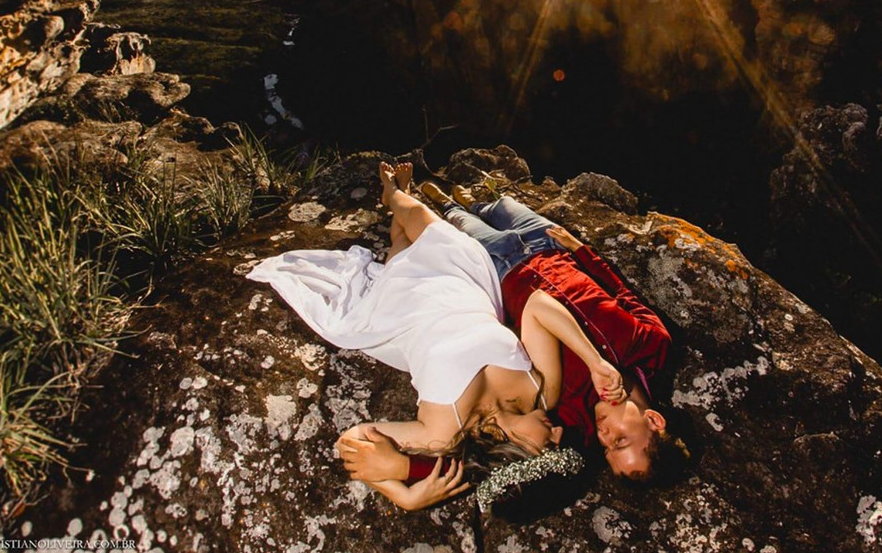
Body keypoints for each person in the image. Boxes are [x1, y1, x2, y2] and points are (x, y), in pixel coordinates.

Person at [247, 162, 623, 511]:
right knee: (423, 220)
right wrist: (595, 362)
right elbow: (539, 305)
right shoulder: (542, 392)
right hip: (464, 284)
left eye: (550, 445)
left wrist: (404, 491)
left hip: (408, 310)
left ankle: (395, 204)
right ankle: (392, 194)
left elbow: (352, 438)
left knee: (399, 256)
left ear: (518, 453)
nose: (558, 432)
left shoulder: (442, 434)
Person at [347, 183, 688, 485]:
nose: (604, 435)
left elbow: (502, 458)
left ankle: (443, 202)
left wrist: (407, 470)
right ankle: (466, 194)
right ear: (654, 420)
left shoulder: (571, 417)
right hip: (547, 244)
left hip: (496, 270)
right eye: (620, 441)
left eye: (606, 448)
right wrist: (582, 250)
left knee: (453, 221)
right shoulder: (655, 346)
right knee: (497, 204)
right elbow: (621, 292)